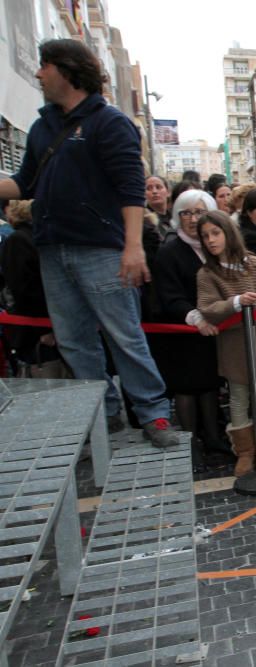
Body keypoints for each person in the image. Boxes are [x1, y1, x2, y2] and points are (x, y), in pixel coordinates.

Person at [0, 39, 179, 445]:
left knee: (125, 335)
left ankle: (153, 413)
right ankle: (103, 417)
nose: (38, 73)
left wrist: (132, 248)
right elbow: (24, 182)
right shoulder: (42, 126)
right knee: (75, 342)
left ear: (67, 70)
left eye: (44, 65)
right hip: (52, 250)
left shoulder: (110, 122)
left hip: (102, 251)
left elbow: (131, 188)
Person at [195, 211, 256, 477]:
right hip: (233, 345)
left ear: (228, 232)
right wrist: (236, 302)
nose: (211, 240)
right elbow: (208, 307)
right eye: (205, 236)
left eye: (216, 233)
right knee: (238, 396)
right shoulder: (207, 273)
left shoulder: (254, 264)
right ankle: (246, 452)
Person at [151, 190, 228, 472]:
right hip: (181, 333)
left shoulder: (213, 246)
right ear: (177, 216)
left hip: (211, 333)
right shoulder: (170, 250)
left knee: (209, 385)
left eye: (199, 212)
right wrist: (196, 318)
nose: (193, 219)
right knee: (186, 389)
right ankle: (191, 445)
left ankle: (214, 439)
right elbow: (168, 295)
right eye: (186, 213)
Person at [0, 200, 62, 375]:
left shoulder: (22, 238)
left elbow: (25, 288)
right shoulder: (23, 238)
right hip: (39, 327)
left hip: (41, 326)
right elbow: (25, 289)